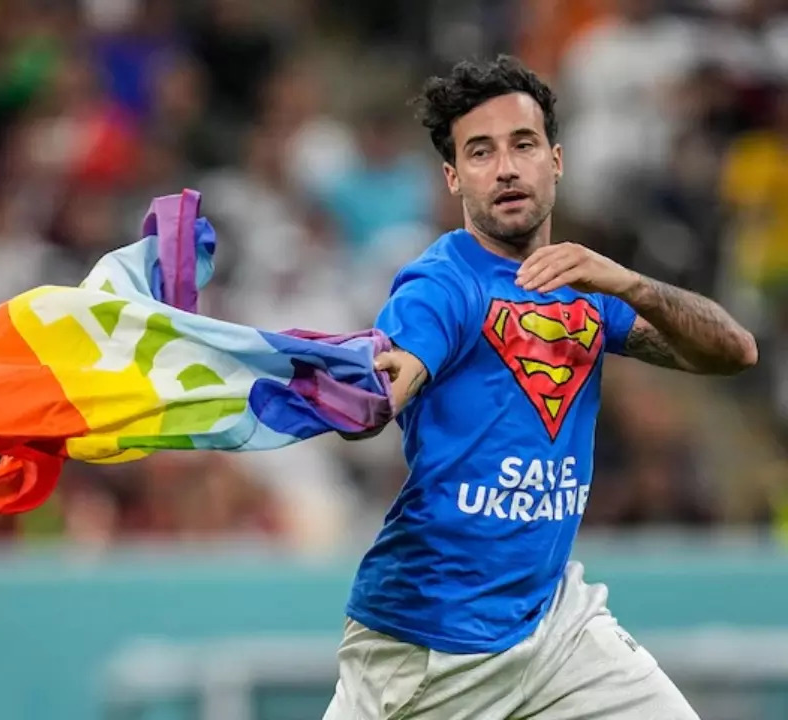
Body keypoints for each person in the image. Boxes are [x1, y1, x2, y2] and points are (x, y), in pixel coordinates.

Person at [324, 55, 757, 719]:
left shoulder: (585, 288)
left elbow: (734, 352)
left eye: (522, 145)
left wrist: (631, 284)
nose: (505, 168)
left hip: (555, 626)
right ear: (454, 177)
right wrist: (388, 381)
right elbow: (407, 359)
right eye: (480, 152)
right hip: (428, 645)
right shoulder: (441, 284)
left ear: (555, 160)